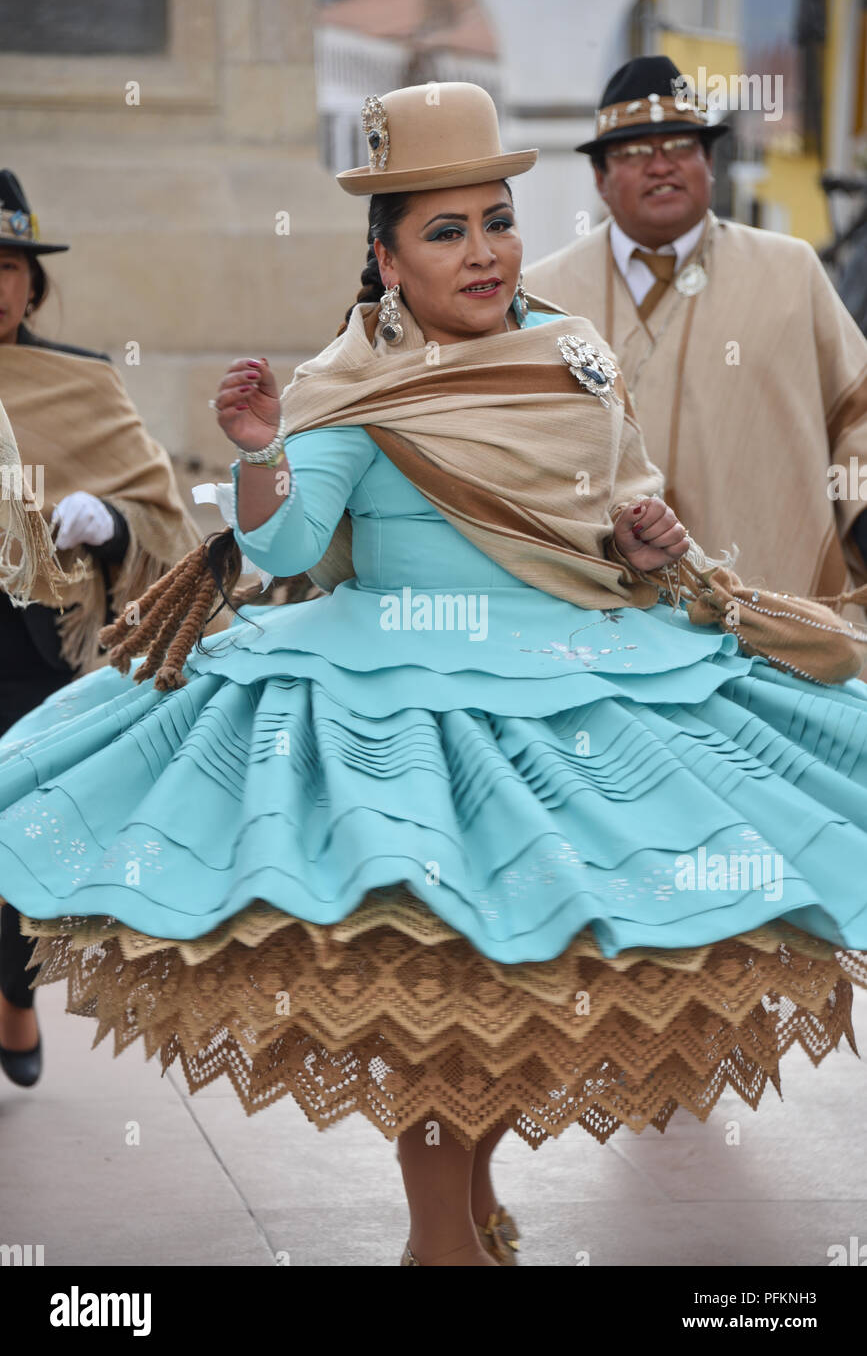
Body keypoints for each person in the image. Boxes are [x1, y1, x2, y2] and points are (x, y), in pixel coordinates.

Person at [0, 84, 865, 1268]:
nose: (485, 251)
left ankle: (477, 1203)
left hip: (570, 684)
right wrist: (264, 459)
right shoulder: (356, 381)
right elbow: (290, 553)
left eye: (497, 220)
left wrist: (644, 543)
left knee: (512, 988)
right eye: (446, 230)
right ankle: (435, 1246)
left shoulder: (572, 351)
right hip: (401, 704)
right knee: (436, 1004)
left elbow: (619, 501)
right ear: (387, 256)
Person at [0, 170, 225, 1089]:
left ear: (34, 284)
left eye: (11, 266)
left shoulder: (81, 382)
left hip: (33, 647)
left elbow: (165, 518)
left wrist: (110, 521)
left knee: (17, 836)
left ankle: (14, 996)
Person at [525, 56, 867, 631]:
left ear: (710, 162)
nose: (660, 166)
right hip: (600, 616)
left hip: (780, 614)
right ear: (601, 178)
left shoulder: (790, 272)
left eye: (681, 146)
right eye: (634, 153)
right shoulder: (541, 295)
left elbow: (857, 415)